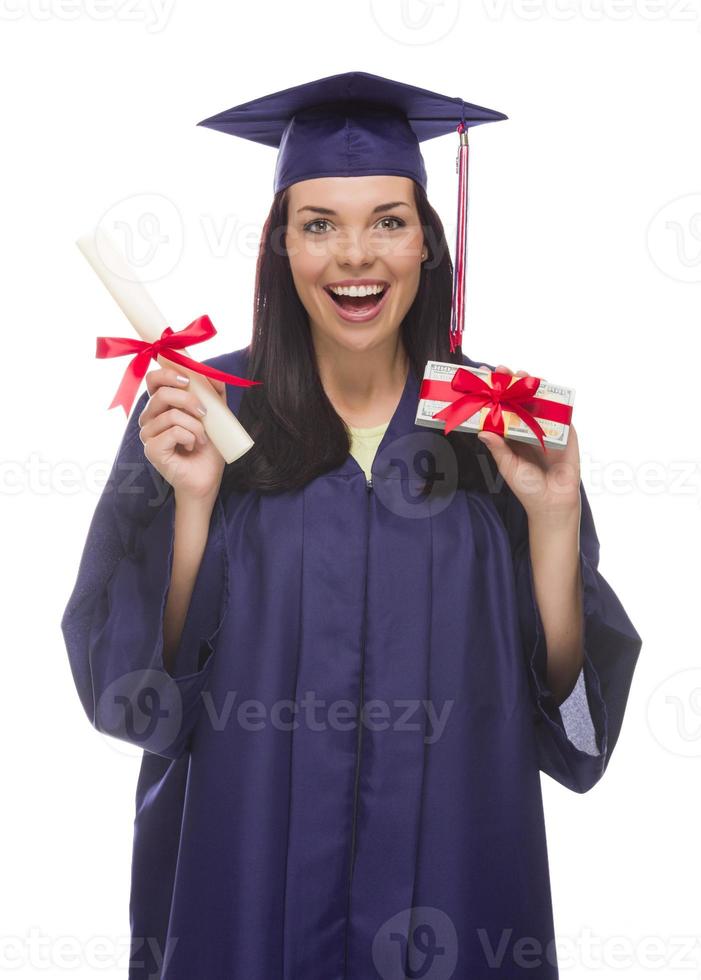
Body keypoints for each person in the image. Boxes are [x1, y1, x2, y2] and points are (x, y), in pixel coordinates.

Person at [61, 72, 643, 980]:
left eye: (388, 220)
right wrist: (196, 506)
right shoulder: (203, 412)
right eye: (318, 224)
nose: (353, 256)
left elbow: (568, 740)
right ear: (280, 248)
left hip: (455, 904)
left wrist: (556, 523)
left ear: (426, 243)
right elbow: (141, 709)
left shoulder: (492, 424)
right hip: (243, 901)